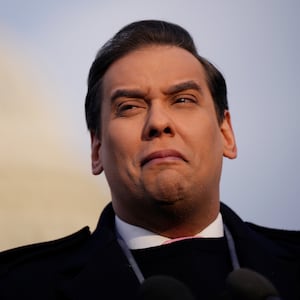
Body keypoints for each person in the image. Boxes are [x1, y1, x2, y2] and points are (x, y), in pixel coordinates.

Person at [0, 20, 299, 300]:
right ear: (96, 149)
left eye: (183, 100)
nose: (158, 122)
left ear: (226, 133)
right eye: (129, 107)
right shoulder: (20, 287)